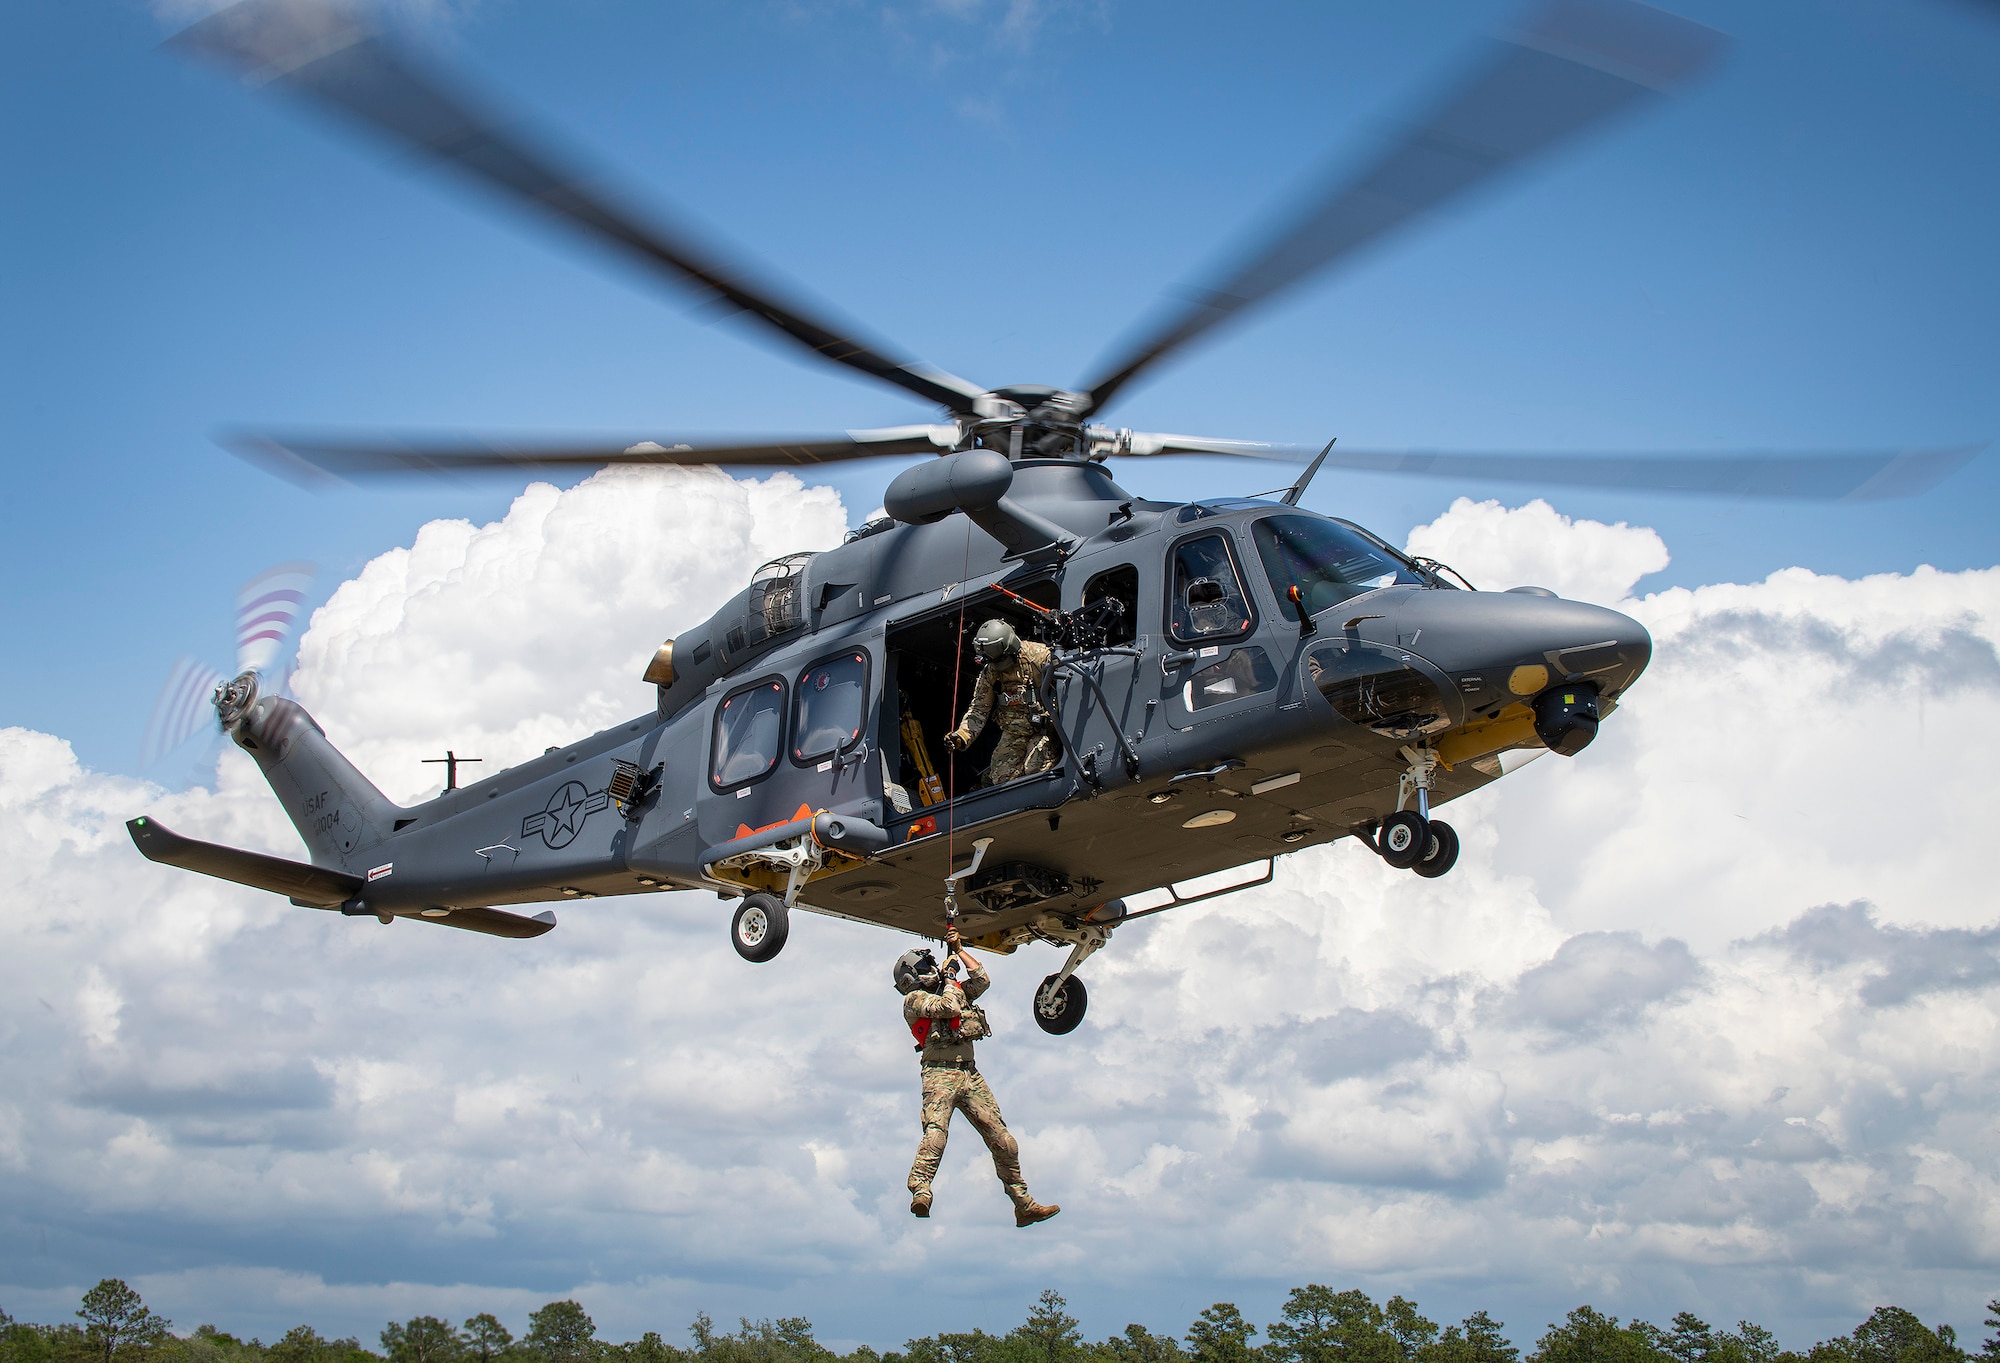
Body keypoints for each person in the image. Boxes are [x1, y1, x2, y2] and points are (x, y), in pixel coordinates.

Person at [894, 928, 1059, 1226]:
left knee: (1003, 1140)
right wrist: (949, 979)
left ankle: (1023, 1204)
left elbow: (982, 980)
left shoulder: (948, 987)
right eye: (924, 968)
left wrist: (958, 950)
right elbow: (949, 1006)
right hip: (939, 1074)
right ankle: (920, 1189)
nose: (932, 970)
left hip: (969, 1072)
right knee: (936, 1135)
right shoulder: (915, 1000)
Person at [942, 619, 1055, 786]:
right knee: (1001, 779)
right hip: (1014, 732)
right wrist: (962, 735)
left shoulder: (1040, 657)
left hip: (1045, 729)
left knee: (1034, 769)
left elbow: (1066, 691)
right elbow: (979, 709)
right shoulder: (991, 671)